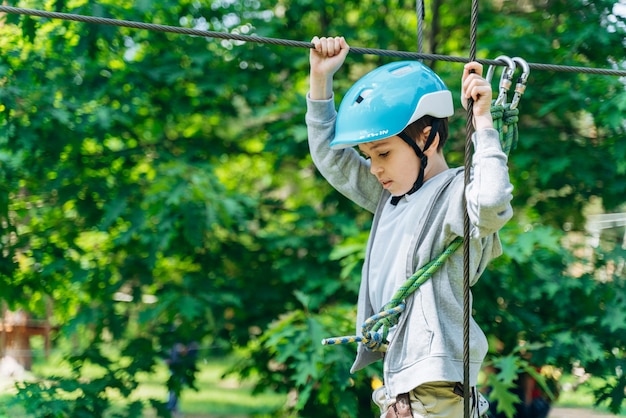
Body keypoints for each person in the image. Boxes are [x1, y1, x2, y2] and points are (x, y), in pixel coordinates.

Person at [306, 36, 514, 417]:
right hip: (404, 387)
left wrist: (483, 122)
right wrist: (320, 82)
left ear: (428, 137)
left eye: (383, 153)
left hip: (435, 387)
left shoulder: (454, 194)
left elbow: (490, 205)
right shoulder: (392, 197)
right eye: (369, 156)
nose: (375, 168)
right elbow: (332, 159)